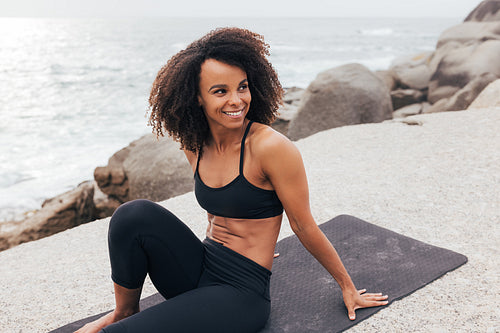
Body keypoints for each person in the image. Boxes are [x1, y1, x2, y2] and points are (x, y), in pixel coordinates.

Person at [77, 27, 388, 333]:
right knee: (132, 214)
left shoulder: (271, 148)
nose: (237, 100)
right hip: (202, 267)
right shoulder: (194, 142)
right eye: (220, 91)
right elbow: (220, 209)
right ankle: (123, 311)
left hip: (241, 294)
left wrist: (348, 287)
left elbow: (303, 225)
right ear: (196, 98)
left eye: (242, 87)